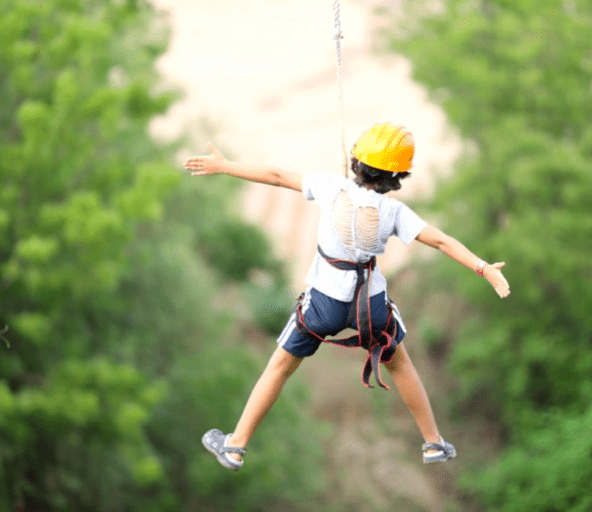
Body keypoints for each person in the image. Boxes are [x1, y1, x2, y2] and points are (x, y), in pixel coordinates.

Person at [184, 123, 509, 470]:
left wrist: (225, 166)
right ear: (398, 176)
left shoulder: (330, 186)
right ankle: (433, 443)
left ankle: (236, 446)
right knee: (400, 364)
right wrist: (483, 268)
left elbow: (276, 176)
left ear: (356, 161)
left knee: (279, 368)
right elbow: (442, 241)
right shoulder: (395, 212)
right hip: (370, 306)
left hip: (323, 303)